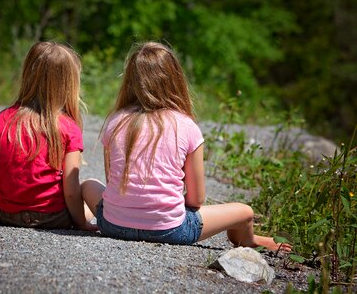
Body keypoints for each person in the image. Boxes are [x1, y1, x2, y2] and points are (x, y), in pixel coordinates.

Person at [82, 42, 291, 251]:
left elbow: (113, 183)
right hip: (171, 230)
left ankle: (83, 218)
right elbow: (197, 199)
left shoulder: (115, 121)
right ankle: (249, 240)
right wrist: (163, 204)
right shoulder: (186, 125)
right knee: (244, 211)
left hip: (113, 226)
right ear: (175, 79)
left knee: (89, 184)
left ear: (129, 80)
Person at [0, 41, 96, 231]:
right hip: (53, 217)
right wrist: (80, 223)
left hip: (8, 215)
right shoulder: (67, 127)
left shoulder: (1, 121)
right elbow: (71, 192)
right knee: (87, 191)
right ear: (69, 84)